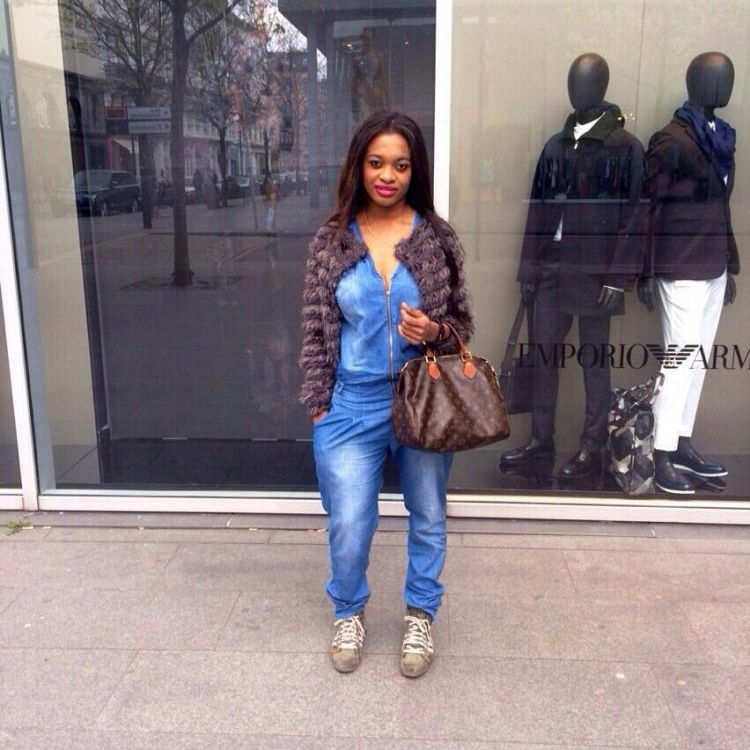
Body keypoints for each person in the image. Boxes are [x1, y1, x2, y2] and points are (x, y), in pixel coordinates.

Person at [298, 110, 474, 677]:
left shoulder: (435, 238)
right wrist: (319, 404)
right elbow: (316, 330)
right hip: (351, 403)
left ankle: (421, 613)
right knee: (350, 520)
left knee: (428, 513)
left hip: (422, 398)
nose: (388, 176)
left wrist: (434, 331)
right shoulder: (332, 241)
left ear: (414, 170)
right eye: (377, 163)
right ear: (359, 166)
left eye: (400, 165)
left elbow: (461, 327)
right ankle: (348, 610)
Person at [499, 53, 646, 481]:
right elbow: (537, 211)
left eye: (585, 81)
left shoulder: (624, 147)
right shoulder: (555, 145)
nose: (577, 89)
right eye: (573, 81)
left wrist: (618, 280)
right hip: (551, 269)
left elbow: (635, 217)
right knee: (543, 357)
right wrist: (529, 270)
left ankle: (592, 447)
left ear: (601, 87)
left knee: (594, 361)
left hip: (596, 273)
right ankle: (540, 442)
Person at [638, 52, 738, 495]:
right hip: (678, 265)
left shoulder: (723, 138)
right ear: (696, 82)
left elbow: (720, 206)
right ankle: (659, 453)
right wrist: (645, 271)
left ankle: (680, 441)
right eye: (716, 78)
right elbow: (650, 209)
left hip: (712, 264)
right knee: (679, 360)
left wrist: (729, 264)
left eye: (727, 78)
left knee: (697, 360)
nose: (723, 86)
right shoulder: (670, 140)